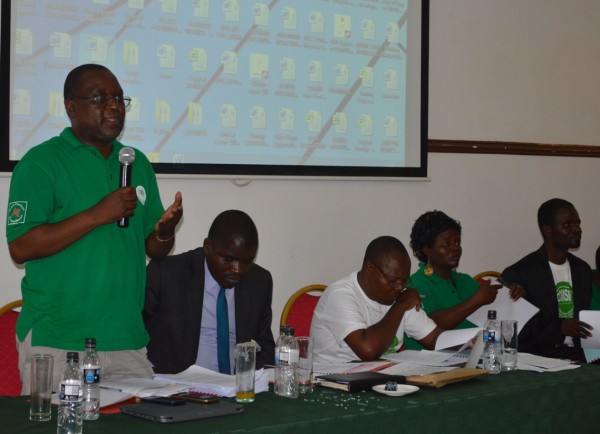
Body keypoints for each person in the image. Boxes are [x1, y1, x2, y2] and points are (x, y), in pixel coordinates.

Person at [6, 64, 183, 393]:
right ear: (71, 106)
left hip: (126, 339)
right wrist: (97, 214)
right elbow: (21, 246)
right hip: (58, 340)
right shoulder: (41, 163)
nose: (114, 107)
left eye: (119, 99)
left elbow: (154, 250)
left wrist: (164, 231)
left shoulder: (136, 162)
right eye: (101, 98)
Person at [144, 210, 275, 374]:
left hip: (236, 387)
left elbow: (264, 345)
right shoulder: (167, 274)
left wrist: (257, 380)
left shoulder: (259, 281)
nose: (237, 270)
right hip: (178, 385)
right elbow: (134, 328)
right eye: (228, 259)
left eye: (247, 261)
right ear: (207, 247)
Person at [310, 236, 443, 364]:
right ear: (370, 268)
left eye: (404, 281)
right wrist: (400, 305)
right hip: (333, 380)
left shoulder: (398, 295)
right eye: (392, 282)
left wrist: (463, 341)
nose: (399, 288)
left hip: (379, 378)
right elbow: (368, 350)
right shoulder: (340, 295)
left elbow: (433, 339)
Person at [406, 210, 519, 349]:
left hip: (472, 360)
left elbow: (493, 315)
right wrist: (475, 301)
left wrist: (512, 294)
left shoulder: (465, 281)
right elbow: (427, 326)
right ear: (427, 250)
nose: (455, 248)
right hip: (429, 364)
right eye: (446, 244)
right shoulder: (416, 284)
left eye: (457, 242)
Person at [501, 198, 592, 361]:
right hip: (540, 359)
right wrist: (560, 328)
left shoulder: (583, 270)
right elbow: (519, 331)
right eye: (567, 225)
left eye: (577, 224)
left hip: (580, 357)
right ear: (548, 231)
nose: (577, 230)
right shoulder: (519, 273)